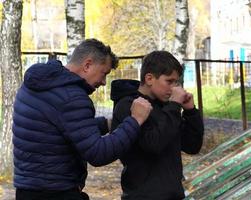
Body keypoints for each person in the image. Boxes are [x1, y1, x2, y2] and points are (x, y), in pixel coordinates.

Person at [12, 38, 152, 200]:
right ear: (87, 65)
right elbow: (98, 153)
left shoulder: (36, 83)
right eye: (104, 73)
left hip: (26, 189)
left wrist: (106, 124)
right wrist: (135, 121)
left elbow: (60, 129)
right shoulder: (72, 97)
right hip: (57, 192)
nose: (103, 82)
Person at [111, 50, 204, 200]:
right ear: (149, 78)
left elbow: (192, 146)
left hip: (173, 193)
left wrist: (190, 112)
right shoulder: (129, 105)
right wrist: (173, 106)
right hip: (143, 195)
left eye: (177, 82)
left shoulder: (165, 107)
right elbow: (153, 144)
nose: (174, 88)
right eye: (169, 81)